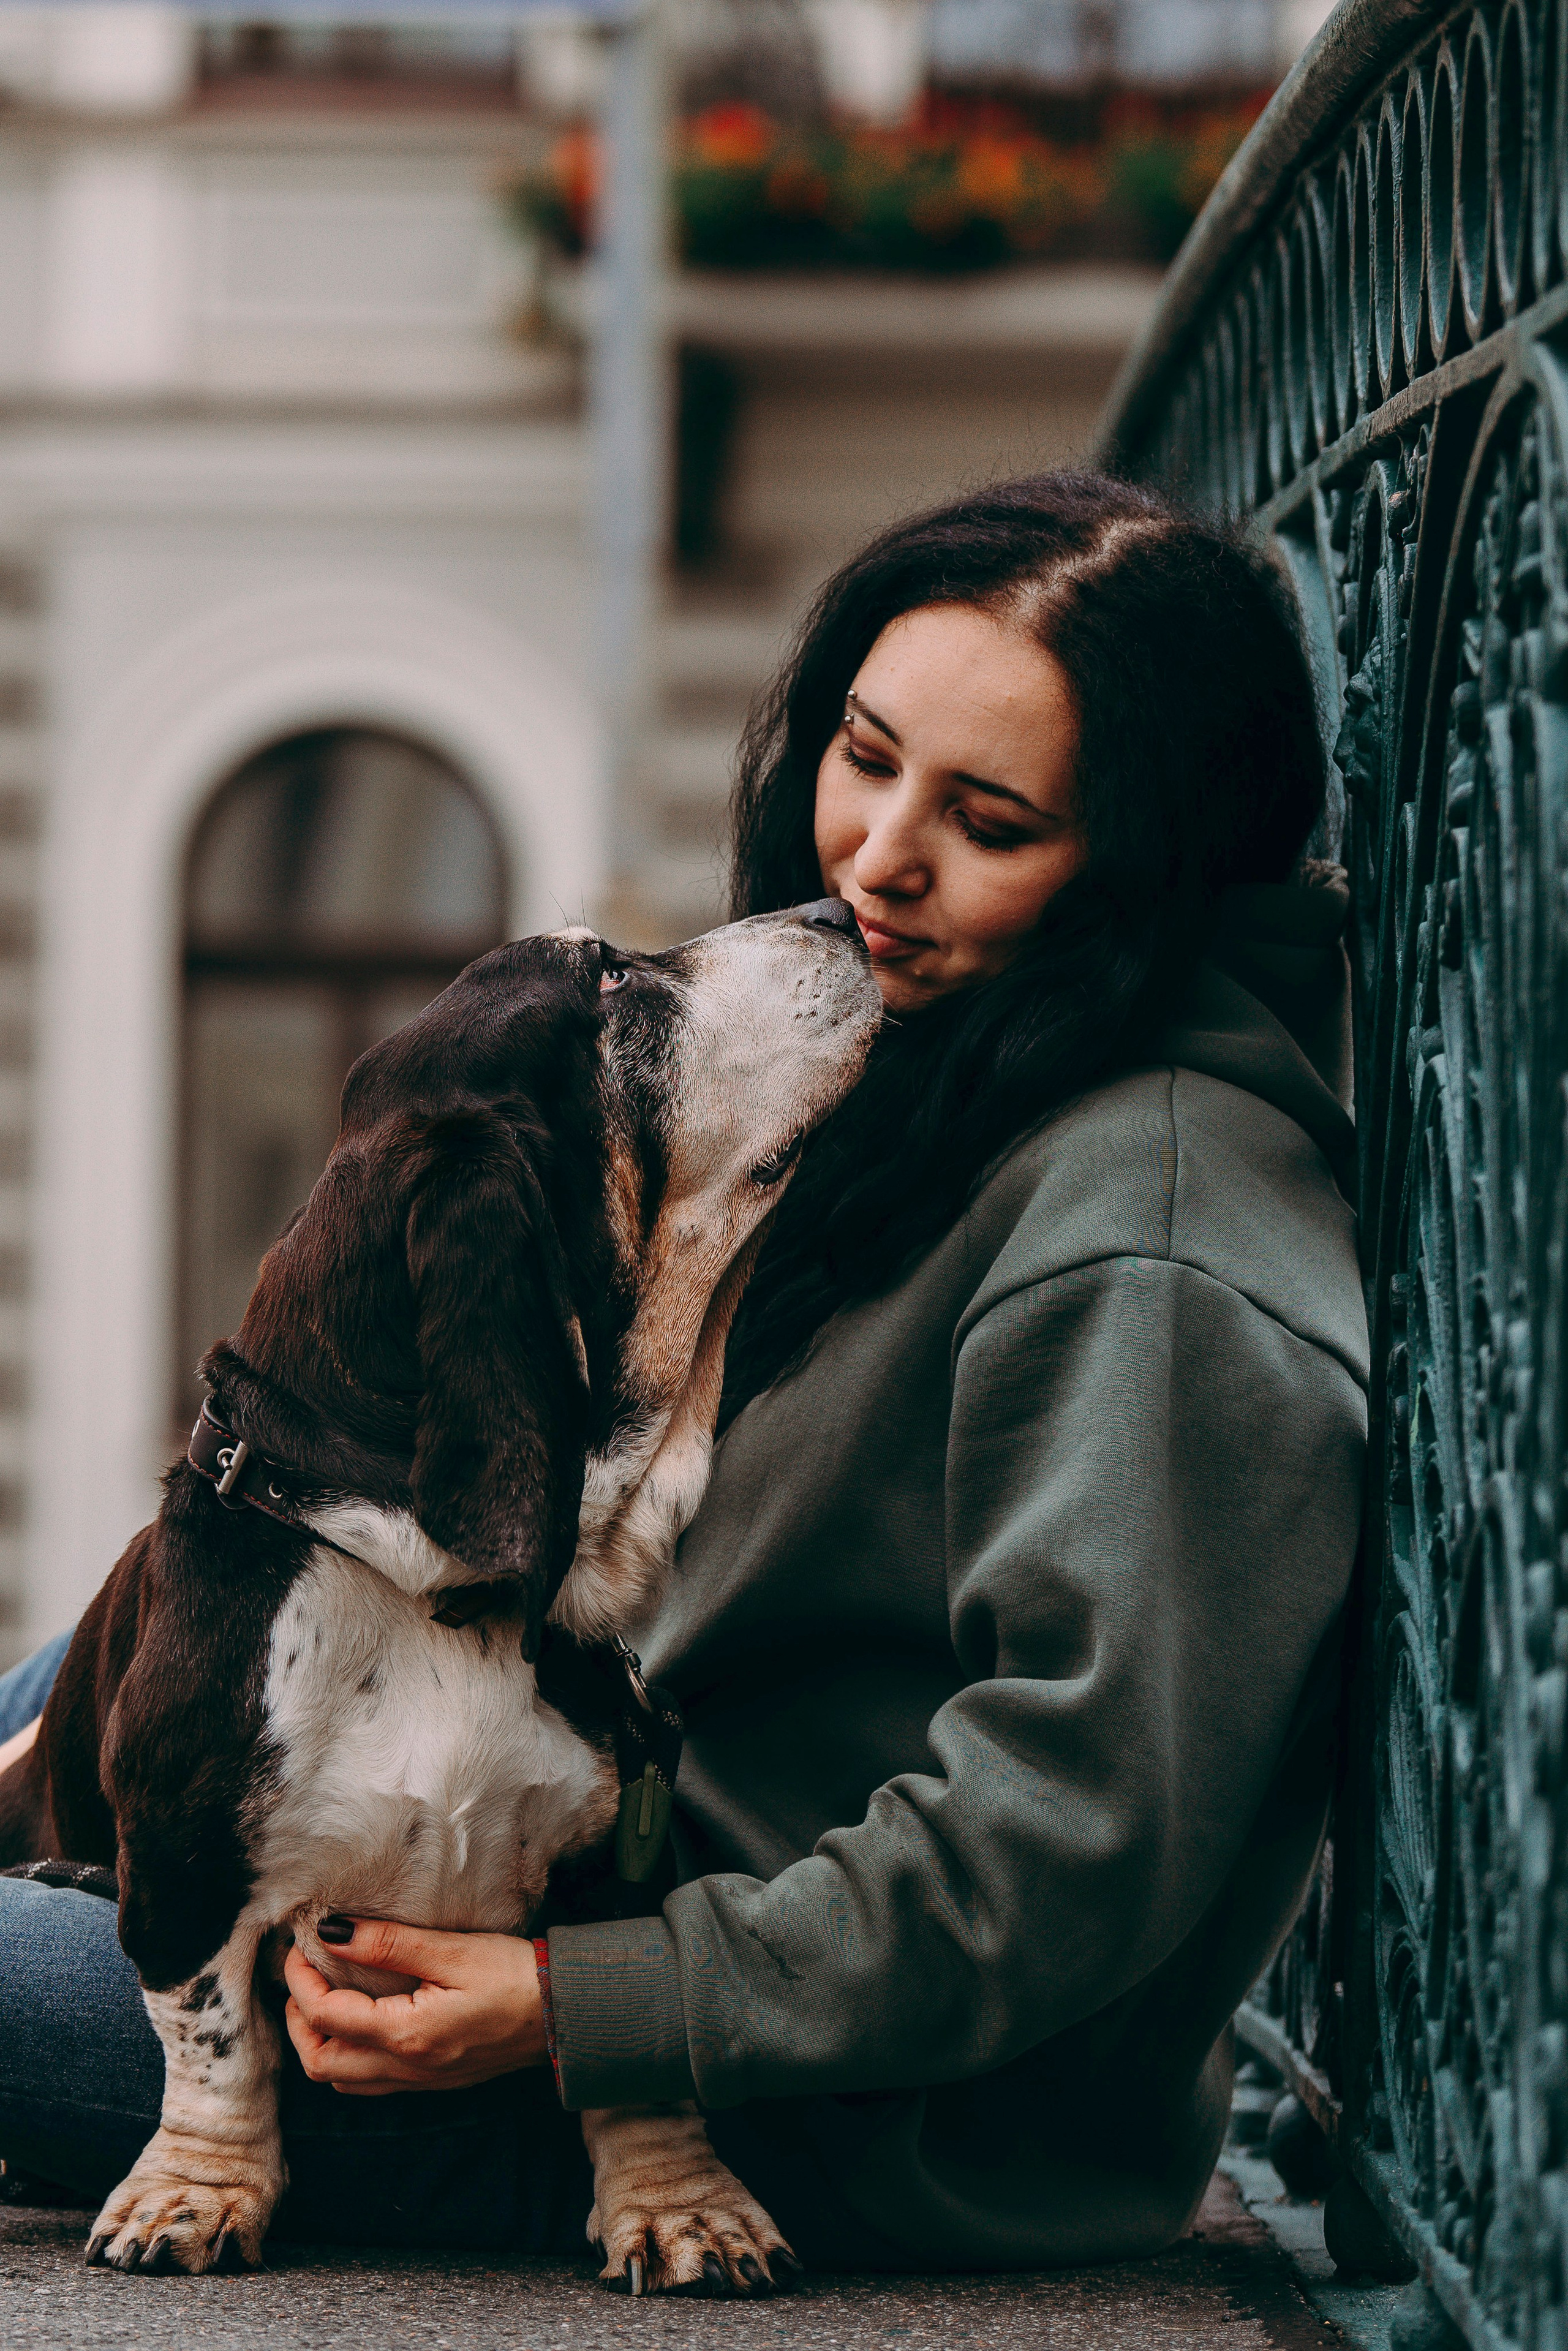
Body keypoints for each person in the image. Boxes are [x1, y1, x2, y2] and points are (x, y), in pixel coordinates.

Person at [0, 472, 1366, 2273]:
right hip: (529, 1836)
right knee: (96, 1656)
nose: (877, 855)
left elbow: (1077, 1842)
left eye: (991, 818)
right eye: (864, 756)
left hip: (729, 2099)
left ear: (1144, 868)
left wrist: (590, 2008)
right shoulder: (946, 1074)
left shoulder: (1158, 1233)